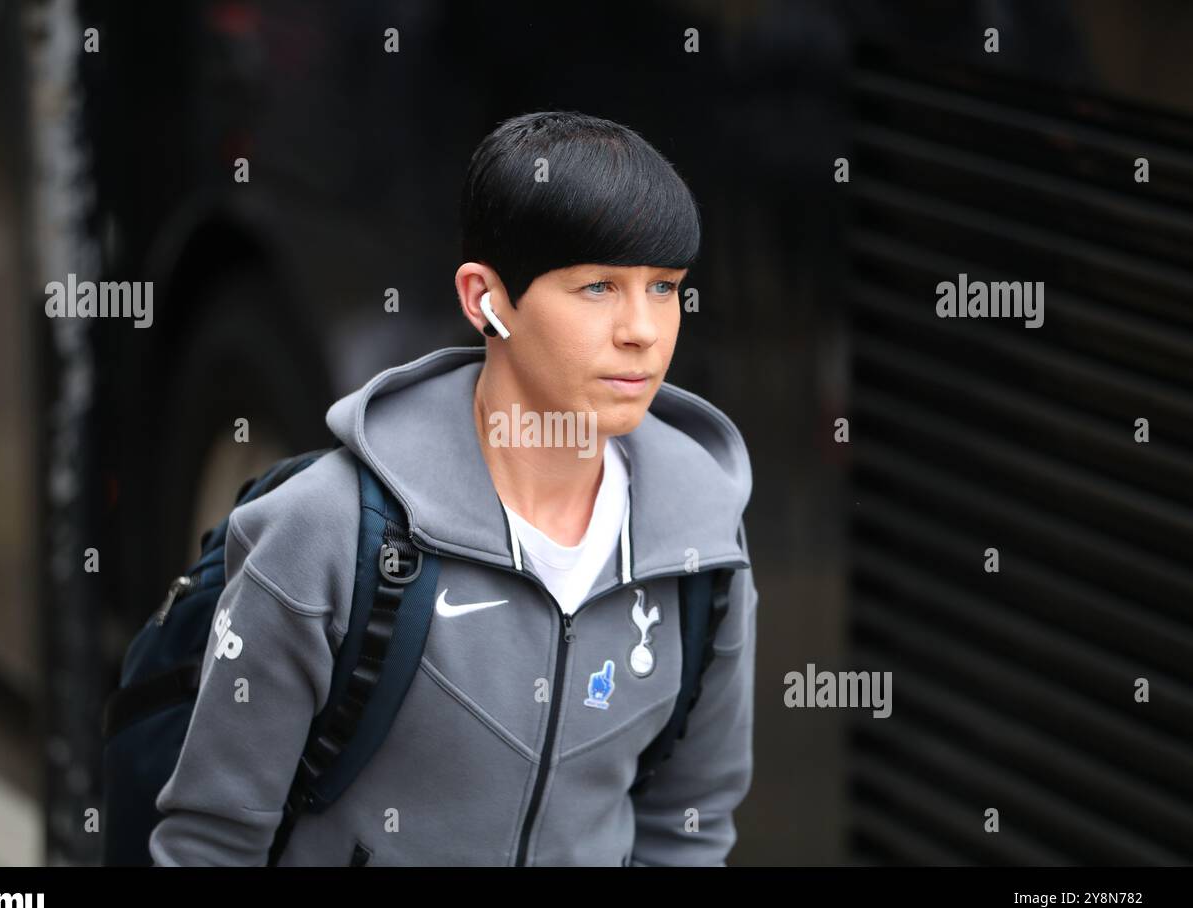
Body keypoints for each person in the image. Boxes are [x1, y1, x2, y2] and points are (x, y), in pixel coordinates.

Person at [149, 110, 759, 866]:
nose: (642, 329)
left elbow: (686, 826)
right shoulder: (328, 532)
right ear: (485, 300)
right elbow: (210, 842)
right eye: (599, 286)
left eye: (664, 288)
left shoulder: (702, 543)